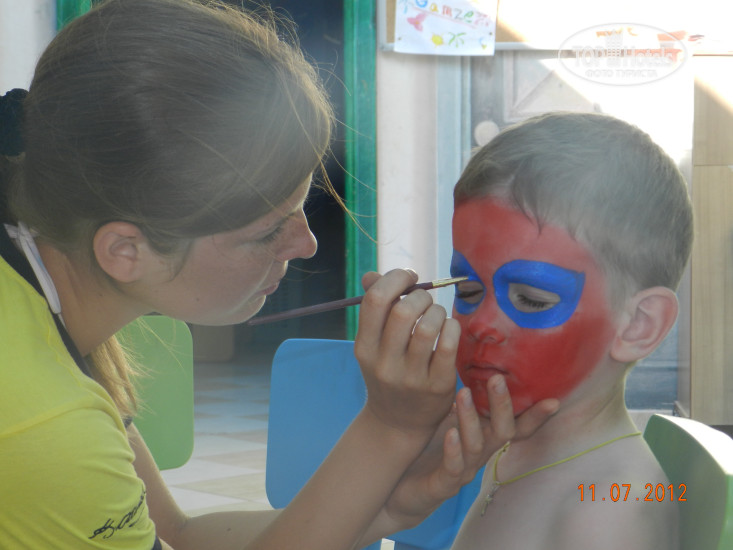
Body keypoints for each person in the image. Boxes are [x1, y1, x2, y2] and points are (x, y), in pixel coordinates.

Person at [0, 1, 557, 549]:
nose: (307, 244)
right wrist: (392, 427)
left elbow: (179, 535)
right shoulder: (48, 425)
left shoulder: (39, 278)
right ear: (125, 251)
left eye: (301, 207)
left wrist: (389, 506)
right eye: (267, 231)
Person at [447, 111, 692, 550]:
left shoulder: (610, 511)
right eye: (468, 290)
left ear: (639, 325)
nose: (480, 324)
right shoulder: (512, 450)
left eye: (531, 300)